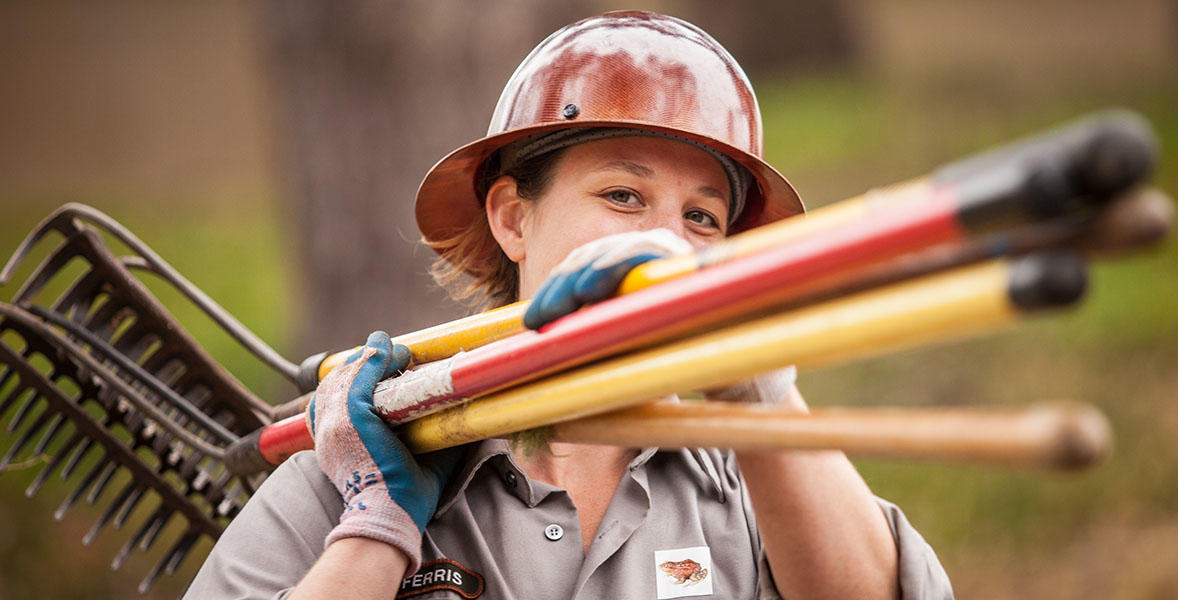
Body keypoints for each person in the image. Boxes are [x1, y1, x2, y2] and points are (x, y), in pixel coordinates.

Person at [185, 11, 952, 599]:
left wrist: (759, 389)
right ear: (513, 218)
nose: (665, 245)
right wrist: (377, 528)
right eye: (624, 196)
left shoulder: (757, 470)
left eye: (701, 218)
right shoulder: (359, 460)